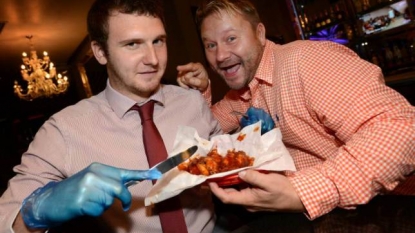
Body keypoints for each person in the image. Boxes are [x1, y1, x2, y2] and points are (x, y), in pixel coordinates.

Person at [177, 0, 415, 221]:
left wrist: (304, 191)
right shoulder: (241, 94)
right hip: (331, 214)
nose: (220, 55)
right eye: (210, 45)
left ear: (259, 34)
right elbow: (205, 134)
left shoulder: (305, 61)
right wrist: (202, 91)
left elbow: (402, 128)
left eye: (231, 39)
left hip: (393, 206)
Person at [0, 0, 222, 232]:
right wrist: (36, 212)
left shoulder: (192, 101)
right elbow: (5, 217)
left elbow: (223, 153)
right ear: (100, 52)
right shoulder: (63, 130)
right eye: (132, 44)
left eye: (158, 41)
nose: (153, 59)